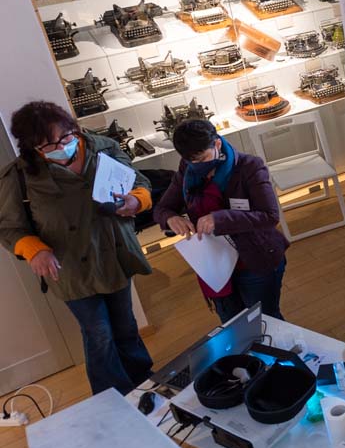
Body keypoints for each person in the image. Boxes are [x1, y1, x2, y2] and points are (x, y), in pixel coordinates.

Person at [0, 101, 154, 395]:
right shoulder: (20, 176)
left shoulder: (104, 148)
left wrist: (137, 200)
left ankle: (144, 379)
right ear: (32, 148)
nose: (60, 147)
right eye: (47, 147)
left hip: (114, 253)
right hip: (69, 267)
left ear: (74, 129)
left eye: (65, 138)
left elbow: (140, 181)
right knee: (98, 333)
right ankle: (114, 396)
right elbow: (8, 226)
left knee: (126, 324)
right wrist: (35, 250)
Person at [153, 120, 289, 322]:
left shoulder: (249, 167)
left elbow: (270, 216)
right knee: (233, 325)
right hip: (216, 265)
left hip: (255, 259)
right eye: (193, 162)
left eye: (203, 159)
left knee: (266, 323)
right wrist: (171, 218)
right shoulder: (186, 169)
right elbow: (162, 209)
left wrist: (220, 218)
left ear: (217, 144)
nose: (198, 166)